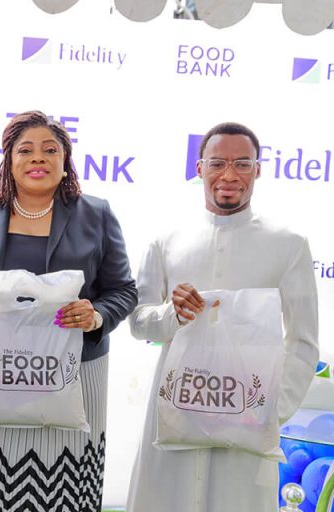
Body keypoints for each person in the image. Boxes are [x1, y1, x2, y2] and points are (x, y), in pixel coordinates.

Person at [0, 110, 138, 511]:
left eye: (50, 150)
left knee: (63, 494)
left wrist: (96, 315)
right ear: (9, 159)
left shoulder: (96, 213)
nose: (38, 157)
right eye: (25, 150)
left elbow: (123, 290)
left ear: (65, 160)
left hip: (74, 376)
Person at [126, 121, 319, 511]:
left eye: (242, 164)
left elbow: (303, 342)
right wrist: (172, 314)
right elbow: (139, 322)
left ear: (258, 170)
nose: (229, 175)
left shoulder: (288, 245)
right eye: (217, 163)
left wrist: (268, 411)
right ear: (200, 168)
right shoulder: (167, 240)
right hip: (174, 416)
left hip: (248, 425)